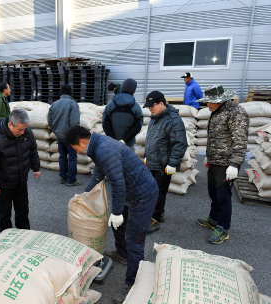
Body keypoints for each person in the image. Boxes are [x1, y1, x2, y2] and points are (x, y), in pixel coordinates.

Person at [65, 125, 158, 304]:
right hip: (132, 191)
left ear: (82, 141)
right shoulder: (97, 145)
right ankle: (123, 255)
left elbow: (117, 182)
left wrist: (116, 212)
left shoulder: (103, 149)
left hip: (143, 195)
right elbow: (101, 171)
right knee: (117, 226)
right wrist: (85, 193)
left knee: (134, 240)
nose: (77, 151)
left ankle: (133, 285)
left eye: (75, 148)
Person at [196, 85, 249, 244]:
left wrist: (234, 164)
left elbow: (240, 141)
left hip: (226, 163)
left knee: (223, 195)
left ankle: (223, 227)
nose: (208, 105)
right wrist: (208, 156)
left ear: (221, 100)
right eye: (207, 102)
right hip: (214, 160)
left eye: (211, 102)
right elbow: (215, 137)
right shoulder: (217, 111)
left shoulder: (236, 113)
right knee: (213, 192)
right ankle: (213, 218)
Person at [0, 108, 40, 232]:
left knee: (23, 211)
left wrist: (36, 167)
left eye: (25, 129)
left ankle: (24, 236)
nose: (23, 132)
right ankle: (6, 241)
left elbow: (33, 150)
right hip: (4, 185)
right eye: (20, 129)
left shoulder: (27, 131)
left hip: (21, 182)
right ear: (10, 124)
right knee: (5, 215)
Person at [143, 91, 188, 234]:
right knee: (152, 190)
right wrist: (146, 157)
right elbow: (151, 140)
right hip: (153, 162)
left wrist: (172, 164)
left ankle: (155, 219)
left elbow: (180, 144)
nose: (150, 109)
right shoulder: (155, 118)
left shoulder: (174, 120)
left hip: (164, 164)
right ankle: (158, 213)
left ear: (161, 104)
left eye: (152, 106)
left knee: (158, 192)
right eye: (148, 106)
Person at [48, 84, 81, 186]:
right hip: (70, 137)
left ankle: (63, 177)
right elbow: (74, 124)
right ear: (70, 93)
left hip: (59, 136)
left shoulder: (54, 104)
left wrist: (56, 132)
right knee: (72, 157)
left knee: (62, 156)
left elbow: (50, 122)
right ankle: (71, 180)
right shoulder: (73, 104)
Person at [103, 78, 143, 152]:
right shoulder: (136, 107)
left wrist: (114, 140)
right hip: (129, 145)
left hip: (112, 145)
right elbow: (138, 126)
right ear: (133, 89)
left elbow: (105, 123)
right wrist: (125, 140)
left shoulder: (110, 105)